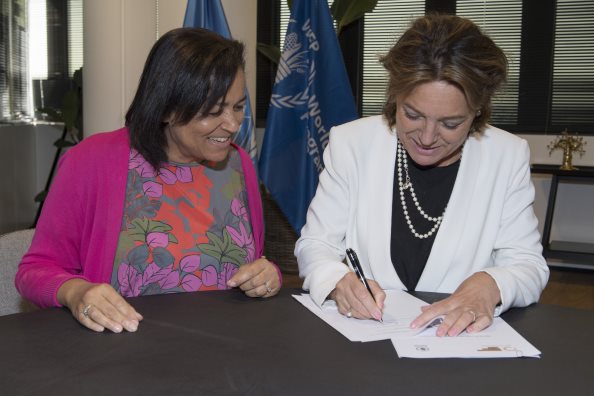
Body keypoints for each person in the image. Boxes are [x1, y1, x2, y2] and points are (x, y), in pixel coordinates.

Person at [295, 14, 549, 337]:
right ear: (395, 96)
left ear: (478, 111)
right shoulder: (351, 145)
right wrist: (337, 281)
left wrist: (491, 285)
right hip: (365, 345)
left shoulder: (506, 156)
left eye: (450, 123)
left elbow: (529, 265)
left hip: (456, 351)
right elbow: (315, 244)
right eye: (412, 115)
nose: (427, 138)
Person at [16, 28, 281, 333]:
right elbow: (34, 271)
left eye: (238, 106)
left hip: (228, 352)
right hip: (128, 357)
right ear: (167, 108)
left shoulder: (239, 165)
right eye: (213, 111)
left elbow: (252, 261)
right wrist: (76, 292)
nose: (233, 125)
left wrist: (267, 273)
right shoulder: (92, 161)